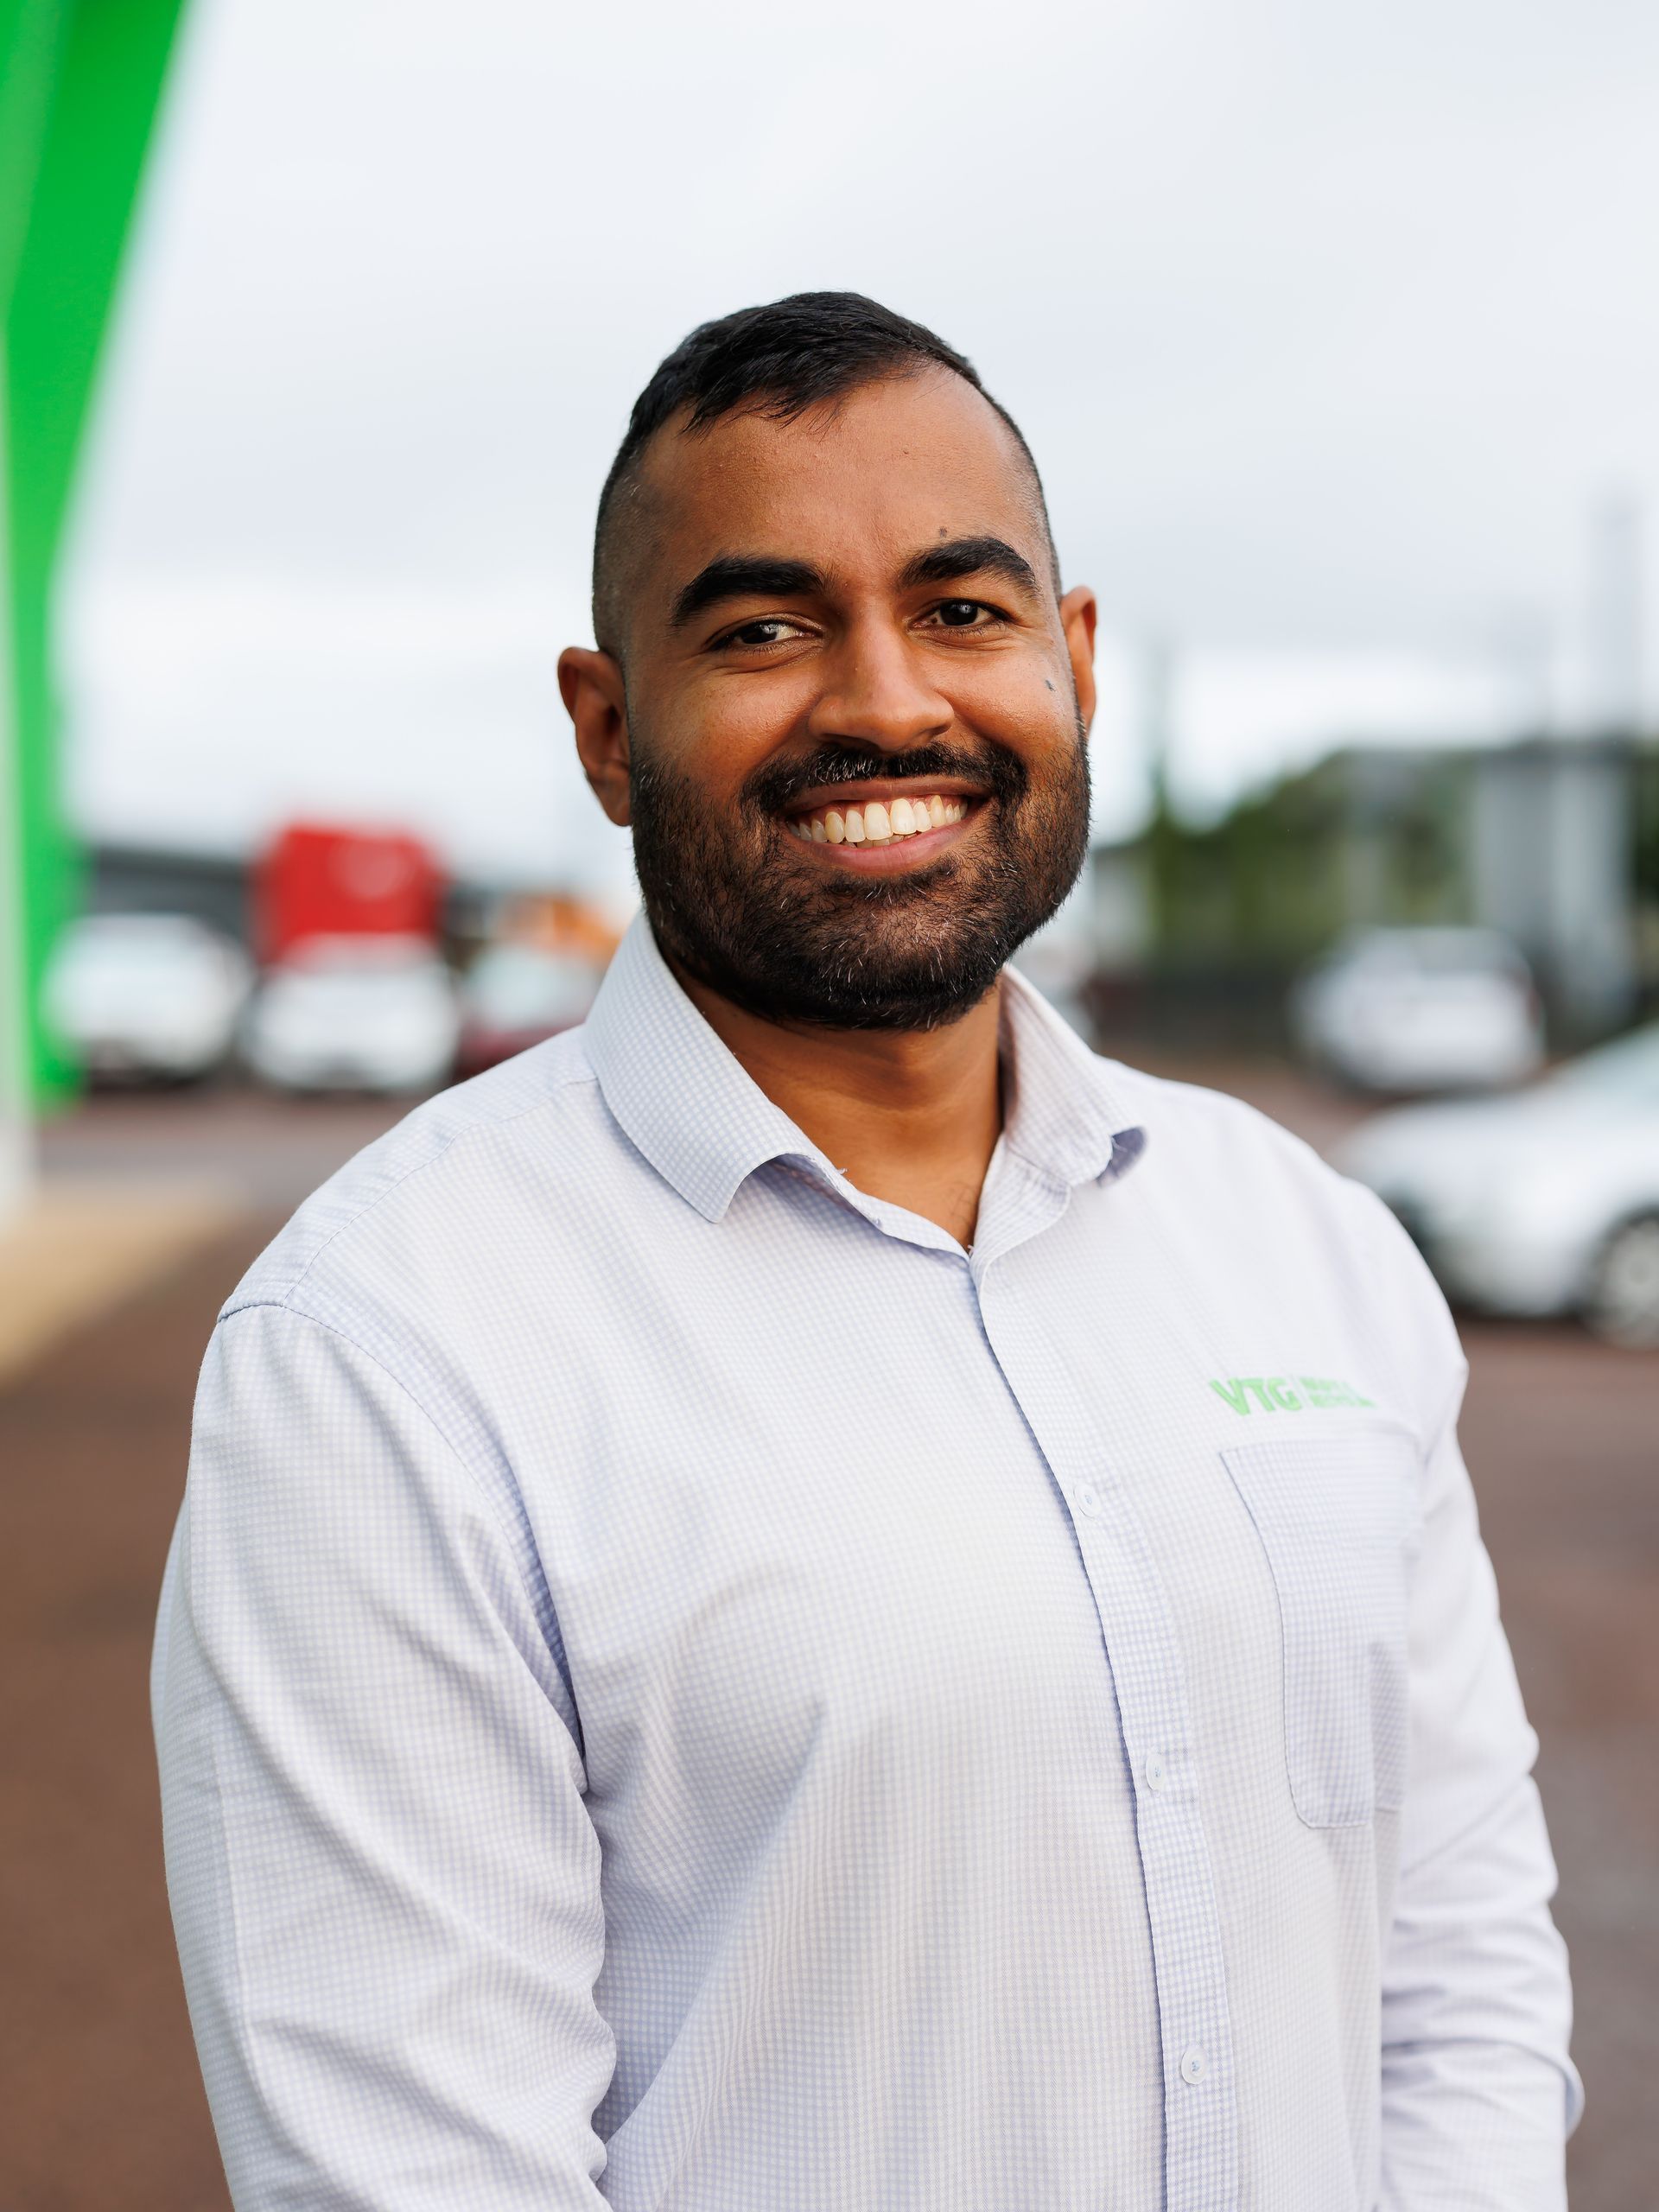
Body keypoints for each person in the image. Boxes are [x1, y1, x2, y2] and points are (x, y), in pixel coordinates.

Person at [153, 292, 1579, 2210]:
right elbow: (410, 2171)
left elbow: (1461, 1965)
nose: (889, 702)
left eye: (965, 611)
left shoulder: (1305, 1244)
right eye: (763, 629)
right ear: (606, 727)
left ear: (1073, 661)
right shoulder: (388, 1350)